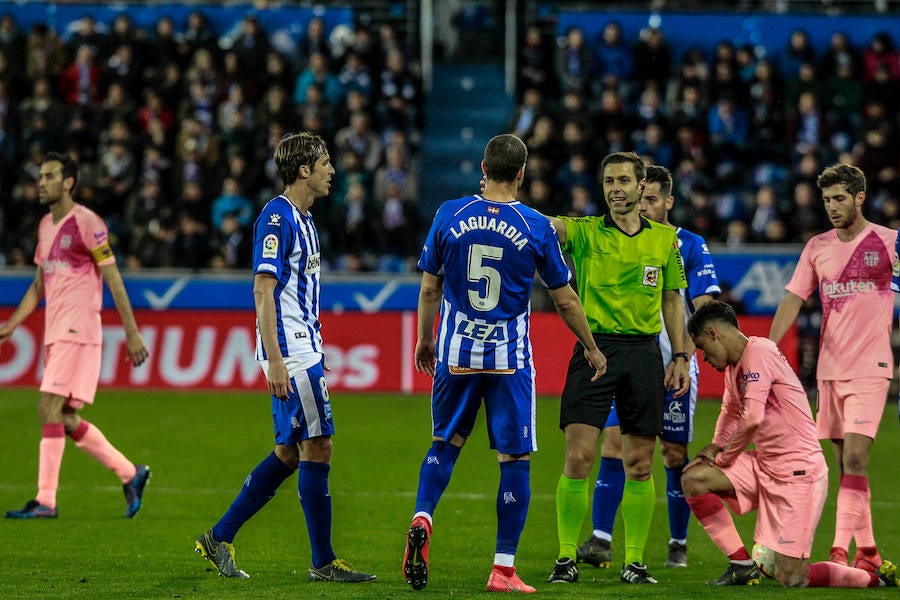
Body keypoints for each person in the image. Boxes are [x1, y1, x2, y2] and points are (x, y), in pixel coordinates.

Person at [402, 133, 607, 593]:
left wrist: (423, 339)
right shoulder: (534, 224)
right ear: (521, 173)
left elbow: (430, 288)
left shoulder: (449, 214)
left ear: (482, 166)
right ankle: (503, 568)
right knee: (514, 460)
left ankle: (422, 514)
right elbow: (566, 299)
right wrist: (592, 348)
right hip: (507, 357)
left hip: (455, 352)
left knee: (445, 443)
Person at [194, 132, 375, 583]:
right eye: (325, 162)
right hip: (288, 351)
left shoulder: (306, 220)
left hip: (301, 345)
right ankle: (323, 562)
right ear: (304, 170)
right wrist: (278, 359)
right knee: (319, 445)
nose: (332, 170)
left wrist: (313, 346)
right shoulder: (277, 218)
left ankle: (219, 536)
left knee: (290, 452)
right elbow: (263, 290)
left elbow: (298, 294)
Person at [682, 300, 899, 588]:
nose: (704, 359)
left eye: (702, 349)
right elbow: (729, 412)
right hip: (764, 465)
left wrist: (723, 458)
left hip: (800, 474)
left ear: (713, 333)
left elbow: (751, 419)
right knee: (695, 477)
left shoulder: (759, 352)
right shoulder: (734, 369)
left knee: (792, 576)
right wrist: (713, 448)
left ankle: (874, 579)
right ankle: (742, 565)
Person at [547, 151, 690, 585]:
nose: (615, 189)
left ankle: (634, 562)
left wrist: (680, 356)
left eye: (624, 181)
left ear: (642, 184)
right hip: (594, 351)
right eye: (609, 180)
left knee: (641, 465)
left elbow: (671, 300)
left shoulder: (665, 241)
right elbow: (549, 225)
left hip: (645, 354)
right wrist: (505, 203)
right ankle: (566, 558)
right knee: (579, 457)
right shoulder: (587, 232)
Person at [577, 165, 720, 570]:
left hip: (672, 367)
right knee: (613, 444)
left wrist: (684, 356)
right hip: (626, 361)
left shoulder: (687, 244)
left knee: (673, 453)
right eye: (644, 197)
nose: (645, 204)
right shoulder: (621, 239)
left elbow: (704, 307)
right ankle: (602, 539)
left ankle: (678, 543)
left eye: (654, 199)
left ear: (668, 202)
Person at [1, 151, 151, 520]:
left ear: (68, 182)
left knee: (47, 407)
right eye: (41, 176)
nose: (42, 182)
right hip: (56, 332)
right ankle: (130, 473)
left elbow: (113, 278)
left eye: (50, 176)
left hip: (78, 328)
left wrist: (132, 333)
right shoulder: (44, 227)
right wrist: (12, 324)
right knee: (64, 416)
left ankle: (46, 501)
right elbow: (39, 285)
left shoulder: (86, 222)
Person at [769, 164, 894, 572]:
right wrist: (768, 351)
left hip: (871, 369)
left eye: (839, 198)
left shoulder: (889, 243)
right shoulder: (817, 246)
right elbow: (792, 299)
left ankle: (839, 550)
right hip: (829, 371)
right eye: (826, 200)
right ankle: (870, 551)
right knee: (845, 465)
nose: (832, 207)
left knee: (856, 459)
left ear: (859, 197)